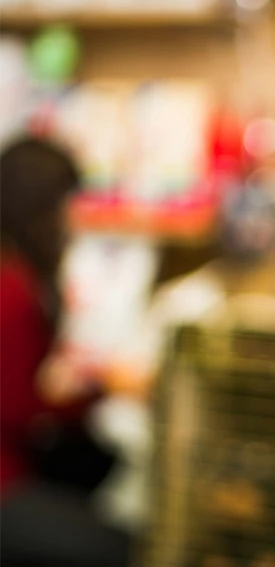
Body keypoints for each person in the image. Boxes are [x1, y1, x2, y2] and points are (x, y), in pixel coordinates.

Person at [0, 136, 130, 567]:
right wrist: (92, 389)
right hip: (6, 481)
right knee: (122, 545)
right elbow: (18, 410)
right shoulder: (13, 287)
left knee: (96, 464)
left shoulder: (17, 278)